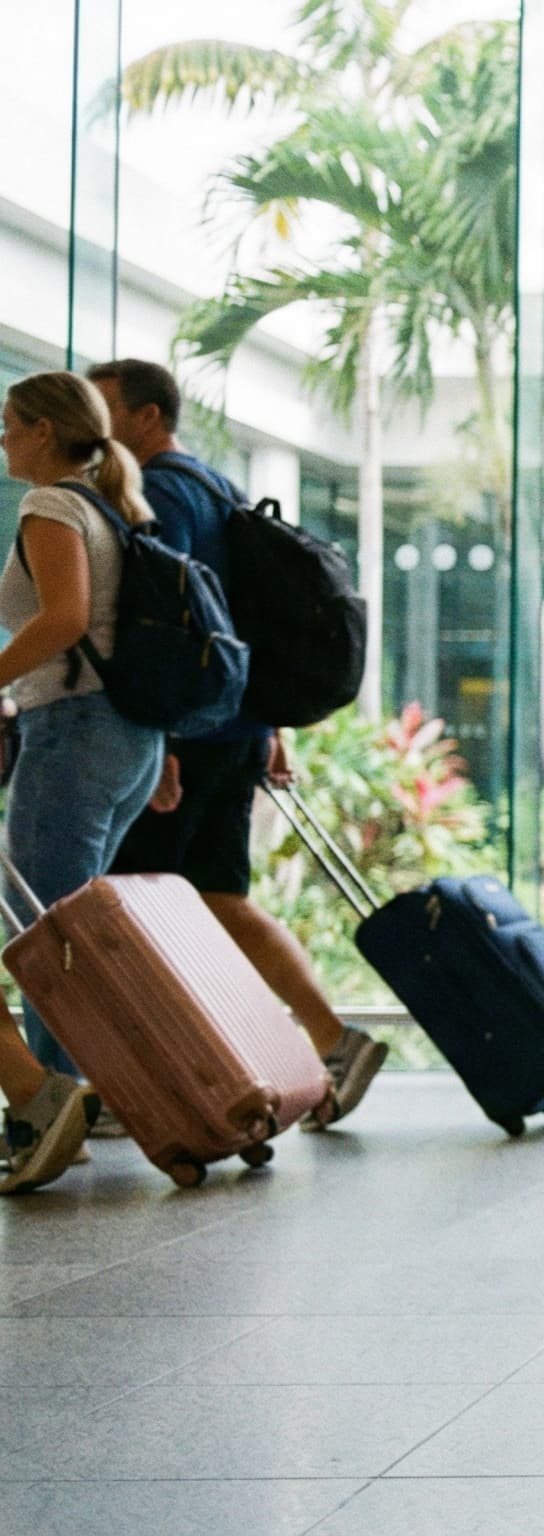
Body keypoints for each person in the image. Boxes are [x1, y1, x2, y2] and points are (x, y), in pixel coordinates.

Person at [88, 360, 388, 1131]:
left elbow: (172, 619)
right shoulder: (217, 485)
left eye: (104, 406)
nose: (93, 421)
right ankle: (323, 1039)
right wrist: (270, 725)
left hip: (193, 732)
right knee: (219, 898)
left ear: (148, 417)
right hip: (237, 725)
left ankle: (164, 1076)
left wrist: (165, 738)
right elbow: (245, 618)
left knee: (140, 909)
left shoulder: (162, 491)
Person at [0, 371, 168, 1192]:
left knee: (45, 936)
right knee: (72, 928)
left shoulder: (52, 505)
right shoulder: (112, 504)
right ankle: (92, 1094)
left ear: (42, 430)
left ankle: (52, 1111)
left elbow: (63, 620)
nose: (1, 439)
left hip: (71, 729)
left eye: (8, 424)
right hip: (127, 734)